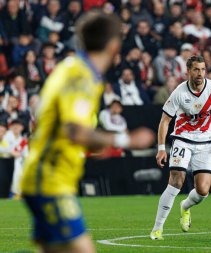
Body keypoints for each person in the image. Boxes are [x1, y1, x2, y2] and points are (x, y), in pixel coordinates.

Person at [20, 11, 154, 253]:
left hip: (50, 175)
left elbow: (63, 127)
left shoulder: (73, 70)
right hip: (50, 180)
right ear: (114, 45)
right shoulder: (81, 76)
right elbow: (74, 130)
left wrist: (94, 142)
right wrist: (125, 139)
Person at [150, 55, 211, 240]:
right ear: (188, 71)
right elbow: (165, 121)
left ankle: (185, 206)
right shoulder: (179, 92)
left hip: (206, 143)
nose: (200, 73)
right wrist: (161, 148)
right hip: (182, 139)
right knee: (176, 181)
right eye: (196, 69)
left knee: (203, 190)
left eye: (203, 69)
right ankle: (157, 228)